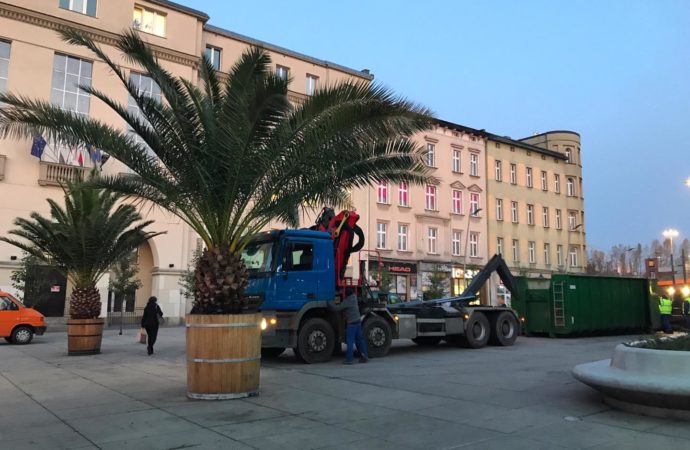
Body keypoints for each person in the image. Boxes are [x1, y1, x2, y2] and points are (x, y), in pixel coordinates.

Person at [328, 287, 368, 364]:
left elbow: (337, 308)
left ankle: (349, 359)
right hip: (358, 322)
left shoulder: (347, 301)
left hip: (352, 324)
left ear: (346, 294)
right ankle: (365, 356)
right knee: (360, 340)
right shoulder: (354, 298)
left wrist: (329, 302)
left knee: (349, 341)